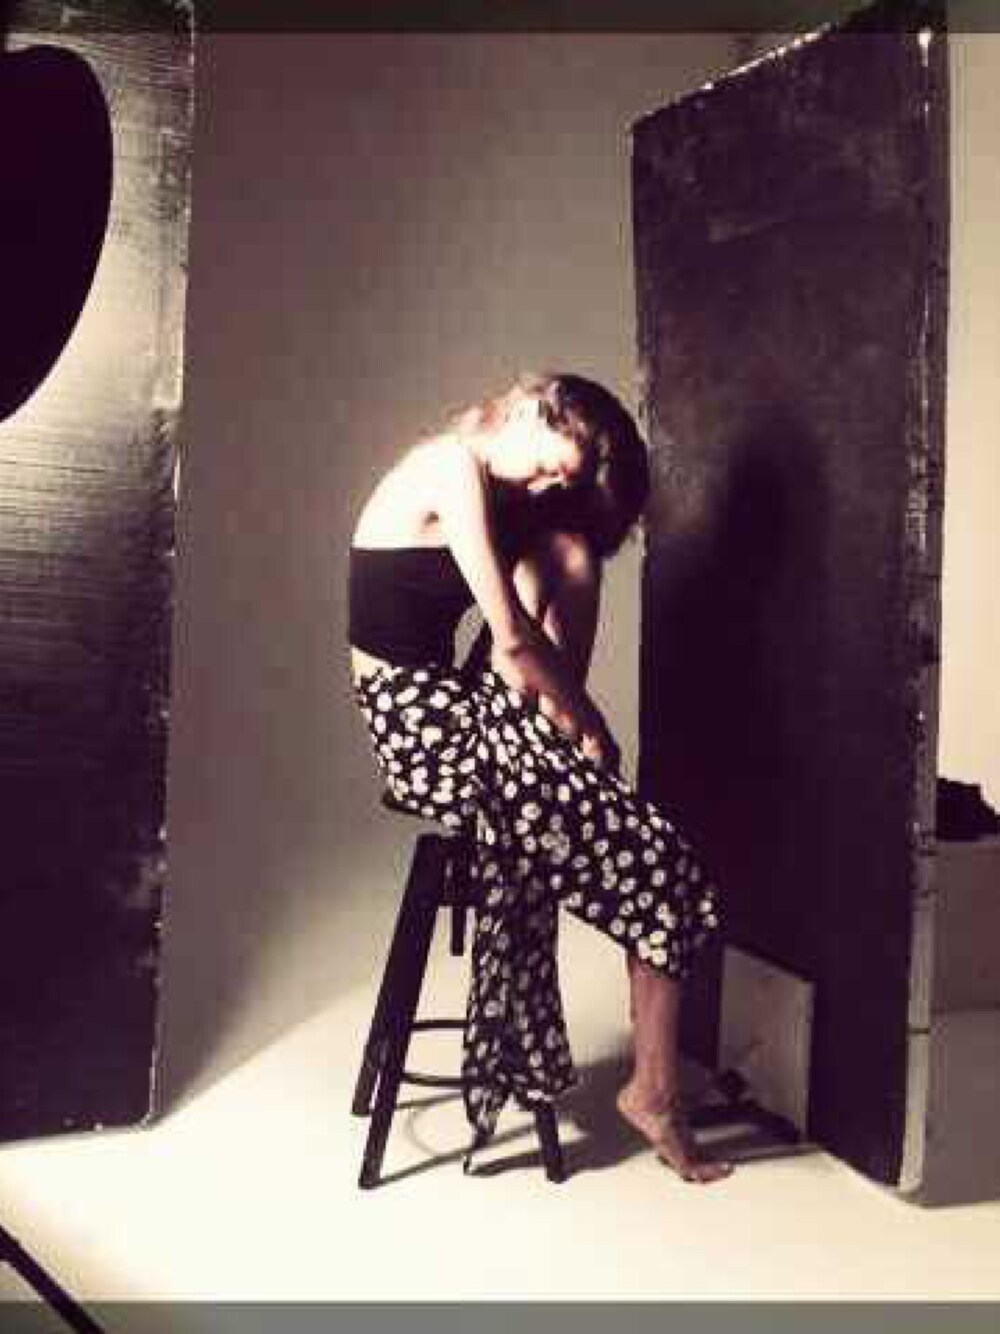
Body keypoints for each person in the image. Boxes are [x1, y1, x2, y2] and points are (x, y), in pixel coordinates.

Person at [347, 370, 733, 1184]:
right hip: (423, 732)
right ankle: (655, 1095)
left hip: (452, 711)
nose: (551, 485)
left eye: (565, 481)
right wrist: (592, 726)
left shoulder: (489, 488)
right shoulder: (449, 466)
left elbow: (518, 638)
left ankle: (655, 1088)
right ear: (531, 408)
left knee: (571, 550)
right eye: (557, 465)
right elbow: (515, 639)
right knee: (663, 863)